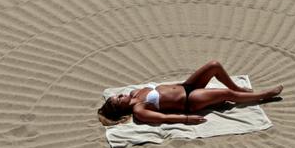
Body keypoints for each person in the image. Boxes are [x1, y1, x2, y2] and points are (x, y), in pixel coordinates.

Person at [97, 60, 283, 126]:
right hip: (189, 100)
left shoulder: (137, 92)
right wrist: (186, 119)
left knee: (214, 65)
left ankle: (239, 88)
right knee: (225, 94)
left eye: (118, 94)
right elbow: (163, 119)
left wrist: (187, 83)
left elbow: (167, 87)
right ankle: (264, 95)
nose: (121, 95)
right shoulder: (139, 110)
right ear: (120, 108)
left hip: (187, 87)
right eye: (118, 99)